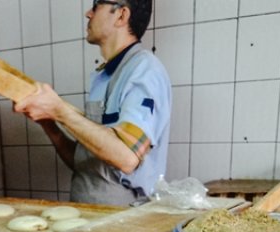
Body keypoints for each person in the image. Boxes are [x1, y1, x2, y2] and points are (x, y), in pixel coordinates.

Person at [14, 0, 170, 206]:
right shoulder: (103, 77)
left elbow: (127, 158)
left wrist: (59, 109)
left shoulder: (145, 71)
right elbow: (85, 164)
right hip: (88, 214)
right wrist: (48, 122)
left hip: (123, 221)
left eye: (96, 6)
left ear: (121, 15)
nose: (88, 13)